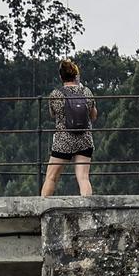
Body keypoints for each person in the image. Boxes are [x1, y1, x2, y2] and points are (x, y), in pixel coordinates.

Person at [41, 58, 98, 197]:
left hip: (63, 141)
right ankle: (87, 211)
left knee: (51, 177)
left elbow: (53, 115)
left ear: (61, 76)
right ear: (76, 75)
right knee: (83, 178)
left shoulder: (56, 94)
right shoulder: (86, 92)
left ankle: (42, 210)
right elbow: (94, 115)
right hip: (84, 139)